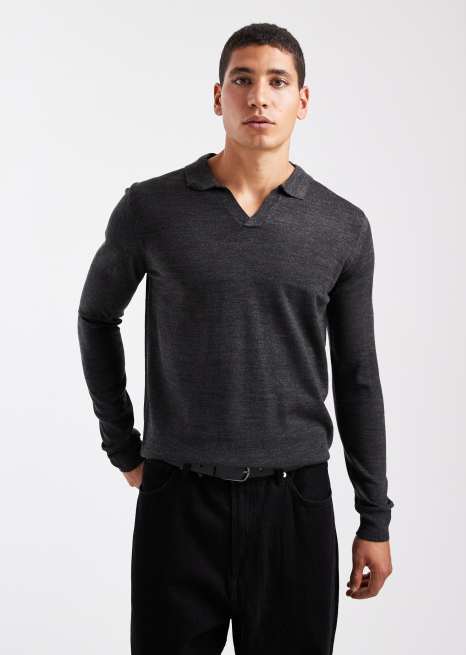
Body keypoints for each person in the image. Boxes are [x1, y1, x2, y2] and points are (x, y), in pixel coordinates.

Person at [77, 22, 394, 655]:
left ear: (302, 100)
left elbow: (358, 376)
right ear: (218, 96)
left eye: (277, 82)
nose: (259, 97)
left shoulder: (341, 227)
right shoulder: (152, 209)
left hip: (295, 505)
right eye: (242, 80)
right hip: (178, 501)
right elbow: (96, 317)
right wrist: (124, 446)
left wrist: (374, 518)